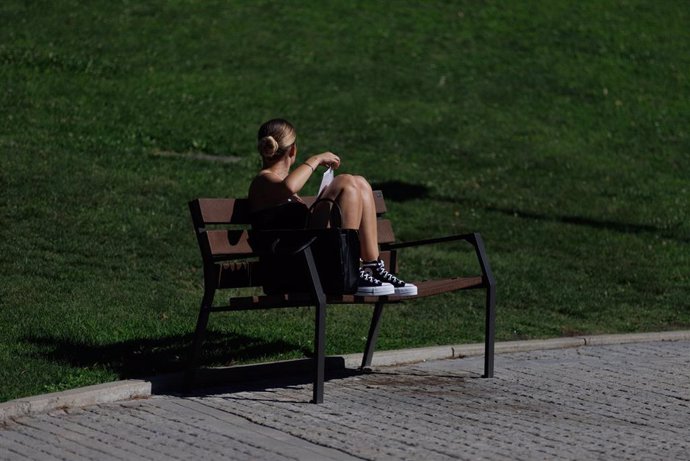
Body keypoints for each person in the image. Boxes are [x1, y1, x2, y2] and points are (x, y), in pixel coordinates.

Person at [248, 118, 417, 297]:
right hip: (290, 268)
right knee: (344, 181)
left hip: (307, 258)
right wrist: (316, 159)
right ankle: (350, 269)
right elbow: (289, 187)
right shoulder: (263, 181)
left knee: (359, 182)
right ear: (293, 150)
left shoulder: (278, 188)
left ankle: (372, 266)